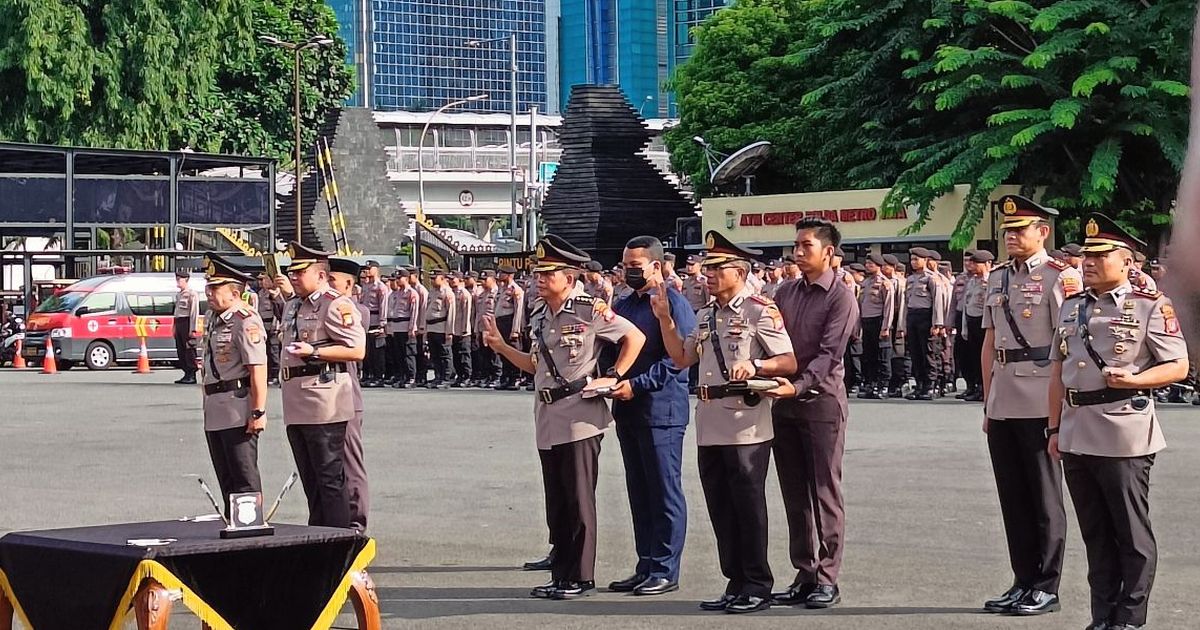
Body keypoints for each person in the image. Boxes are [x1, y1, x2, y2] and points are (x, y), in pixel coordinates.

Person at [482, 234, 645, 600]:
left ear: (569, 278)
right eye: (538, 272)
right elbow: (534, 365)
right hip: (548, 414)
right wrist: (501, 347)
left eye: (548, 273)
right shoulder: (540, 314)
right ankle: (562, 572)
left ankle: (581, 576)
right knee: (557, 499)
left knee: (578, 498)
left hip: (580, 413)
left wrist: (615, 375)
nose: (539, 279)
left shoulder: (590, 309)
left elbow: (634, 338)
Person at [1048, 213, 1189, 630]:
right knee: (1095, 533)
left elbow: (1178, 365)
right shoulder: (1072, 306)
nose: (1088, 262)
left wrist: (1137, 379)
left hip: (1122, 430)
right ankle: (1102, 615)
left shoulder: (1150, 306)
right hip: (1075, 430)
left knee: (1131, 534)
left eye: (1100, 256)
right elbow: (1058, 372)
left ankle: (1129, 617)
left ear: (1127, 262)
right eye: (1086, 256)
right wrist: (1053, 429)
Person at [654, 231, 797, 615]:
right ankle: (734, 581)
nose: (707, 275)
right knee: (721, 504)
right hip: (710, 421)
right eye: (707, 268)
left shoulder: (759, 310)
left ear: (739, 271)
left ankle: (757, 583)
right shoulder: (704, 315)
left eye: (717, 269)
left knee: (748, 505)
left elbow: (788, 361)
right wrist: (666, 320)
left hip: (746, 423)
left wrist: (756, 365)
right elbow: (682, 359)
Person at [980, 194, 1083, 616]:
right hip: (1004, 396)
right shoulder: (998, 276)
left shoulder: (1061, 276)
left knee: (1043, 496)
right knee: (1013, 495)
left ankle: (1046, 584)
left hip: (1041, 396)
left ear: (1043, 232)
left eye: (1019, 230)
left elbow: (1069, 345)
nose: (1011, 238)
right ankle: (1022, 580)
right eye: (1007, 231)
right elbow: (989, 341)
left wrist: (1062, 413)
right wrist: (987, 400)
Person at [766, 218, 859, 610]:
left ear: (828, 252)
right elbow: (770, 342)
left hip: (820, 403)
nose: (798, 252)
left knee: (824, 492)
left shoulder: (841, 297)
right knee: (794, 494)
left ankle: (827, 577)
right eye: (796, 245)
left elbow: (829, 355)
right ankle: (804, 572)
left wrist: (798, 386)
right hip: (784, 402)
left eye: (806, 246)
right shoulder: (785, 291)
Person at [605, 235, 695, 597]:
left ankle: (665, 568)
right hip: (627, 407)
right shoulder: (624, 304)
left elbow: (678, 359)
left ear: (656, 266)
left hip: (661, 409)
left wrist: (637, 384)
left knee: (663, 491)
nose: (629, 272)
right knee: (639, 491)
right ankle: (645, 564)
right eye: (625, 265)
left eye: (636, 266)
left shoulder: (673, 303)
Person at [279, 242, 366, 528]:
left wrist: (314, 352)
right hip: (297, 403)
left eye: (299, 272)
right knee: (311, 480)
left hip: (324, 403)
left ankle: (338, 539)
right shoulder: (293, 305)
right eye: (292, 272)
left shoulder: (335, 304)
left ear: (319, 275)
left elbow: (356, 349)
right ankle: (318, 537)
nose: (293, 277)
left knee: (330, 479)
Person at [199, 255, 267, 513]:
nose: (210, 293)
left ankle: (250, 530)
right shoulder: (214, 317)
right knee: (226, 477)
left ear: (234, 292)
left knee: (244, 477)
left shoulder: (244, 320)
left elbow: (257, 368)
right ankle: (233, 524)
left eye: (215, 288)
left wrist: (258, 411)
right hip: (215, 404)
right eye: (209, 287)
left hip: (237, 405)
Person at [328, 257, 371, 531]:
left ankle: (357, 523)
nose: (327, 286)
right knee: (328, 466)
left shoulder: (357, 310)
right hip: (322, 400)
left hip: (346, 397)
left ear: (348, 284)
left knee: (350, 463)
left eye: (332, 281)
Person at [903, 248, 944, 400]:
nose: (913, 262)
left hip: (926, 317)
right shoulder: (911, 279)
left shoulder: (931, 278)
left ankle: (930, 385)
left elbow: (938, 301)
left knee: (928, 352)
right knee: (915, 353)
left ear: (925, 260)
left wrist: (937, 323)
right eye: (912, 259)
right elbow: (906, 303)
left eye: (916, 259)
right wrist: (904, 324)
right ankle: (919, 385)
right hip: (912, 316)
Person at [956, 250, 993, 401]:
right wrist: (964, 327)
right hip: (971, 321)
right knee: (973, 358)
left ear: (987, 264)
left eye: (976, 263)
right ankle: (977, 386)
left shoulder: (991, 281)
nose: (972, 266)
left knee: (985, 357)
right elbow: (966, 305)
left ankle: (986, 388)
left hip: (984, 324)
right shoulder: (971, 281)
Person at [858, 253, 895, 399]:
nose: (868, 266)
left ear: (879, 266)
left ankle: (883, 386)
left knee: (882, 356)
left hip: (879, 322)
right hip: (867, 322)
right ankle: (871, 384)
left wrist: (885, 327)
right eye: (867, 264)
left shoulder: (885, 283)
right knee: (869, 356)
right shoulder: (865, 283)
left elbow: (889, 307)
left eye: (871, 264)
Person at [494, 265, 526, 390]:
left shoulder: (515, 289)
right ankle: (505, 378)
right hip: (500, 322)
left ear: (509, 275)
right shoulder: (501, 289)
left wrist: (515, 330)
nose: (499, 275)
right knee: (503, 351)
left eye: (502, 273)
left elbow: (519, 311)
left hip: (510, 322)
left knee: (513, 351)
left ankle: (515, 378)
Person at [359, 261, 390, 387]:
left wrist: (382, 324)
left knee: (377, 352)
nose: (367, 271)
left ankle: (378, 377)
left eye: (369, 268)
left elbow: (383, 306)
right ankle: (368, 375)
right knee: (367, 351)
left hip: (376, 320)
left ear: (376, 269)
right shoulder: (366, 286)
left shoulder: (381, 287)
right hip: (366, 321)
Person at [255, 273, 285, 385]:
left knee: (274, 351)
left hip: (273, 326)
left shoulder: (277, 293)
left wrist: (276, 327)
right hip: (263, 326)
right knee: (266, 351)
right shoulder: (260, 293)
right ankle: (269, 374)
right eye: (261, 280)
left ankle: (276, 374)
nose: (262, 282)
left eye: (265, 279)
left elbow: (279, 311)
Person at [473, 270, 502, 388]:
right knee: (484, 354)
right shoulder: (481, 294)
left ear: (493, 279)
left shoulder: (497, 293)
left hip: (492, 328)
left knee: (494, 353)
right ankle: (486, 376)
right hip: (481, 327)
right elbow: (478, 313)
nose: (483, 282)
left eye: (486, 280)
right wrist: (476, 329)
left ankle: (496, 376)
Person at [172, 269, 200, 384]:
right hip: (179, 323)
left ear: (186, 280)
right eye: (177, 279)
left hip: (187, 322)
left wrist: (193, 329)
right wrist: (174, 327)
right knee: (181, 349)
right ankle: (185, 373)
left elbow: (194, 312)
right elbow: (176, 312)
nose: (177, 281)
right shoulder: (179, 295)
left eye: (180, 279)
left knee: (189, 349)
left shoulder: (192, 294)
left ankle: (191, 374)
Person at [450, 272, 475, 387]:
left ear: (460, 280)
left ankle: (466, 377)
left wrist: (465, 329)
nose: (451, 281)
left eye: (453, 279)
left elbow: (467, 312)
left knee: (464, 354)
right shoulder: (452, 293)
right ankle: (459, 376)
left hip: (463, 329)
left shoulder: (464, 294)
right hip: (454, 328)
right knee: (456, 354)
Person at [408, 268, 430, 385]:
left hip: (420, 327)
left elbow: (423, 310)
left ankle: (422, 376)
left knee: (421, 353)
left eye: (410, 274)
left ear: (416, 276)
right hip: (413, 325)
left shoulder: (421, 291)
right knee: (414, 351)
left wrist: (421, 327)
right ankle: (417, 376)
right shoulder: (411, 290)